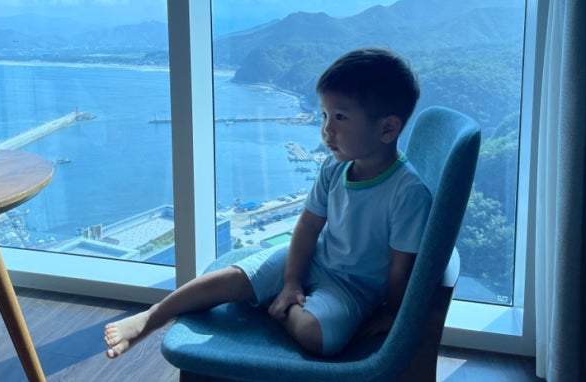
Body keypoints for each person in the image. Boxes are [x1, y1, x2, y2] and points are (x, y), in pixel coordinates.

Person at [104, 46, 432, 358]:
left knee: (317, 336)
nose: (326, 130)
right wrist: (291, 280)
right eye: (324, 115)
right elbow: (308, 226)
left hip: (352, 290)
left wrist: (392, 313)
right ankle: (152, 316)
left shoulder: (407, 192)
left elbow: (401, 268)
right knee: (233, 278)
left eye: (340, 117)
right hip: (313, 259)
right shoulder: (335, 167)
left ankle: (274, 304)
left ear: (387, 128)